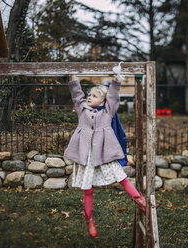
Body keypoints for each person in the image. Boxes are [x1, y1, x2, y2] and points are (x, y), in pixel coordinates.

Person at [64, 74, 147, 238]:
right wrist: (73, 79)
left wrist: (116, 81)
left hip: (105, 154)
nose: (89, 97)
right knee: (88, 188)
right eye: (89, 95)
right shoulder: (82, 110)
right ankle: (89, 218)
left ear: (102, 101)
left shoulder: (108, 112)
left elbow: (114, 97)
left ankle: (141, 201)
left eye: (94, 96)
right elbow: (77, 94)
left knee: (122, 177)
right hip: (87, 156)